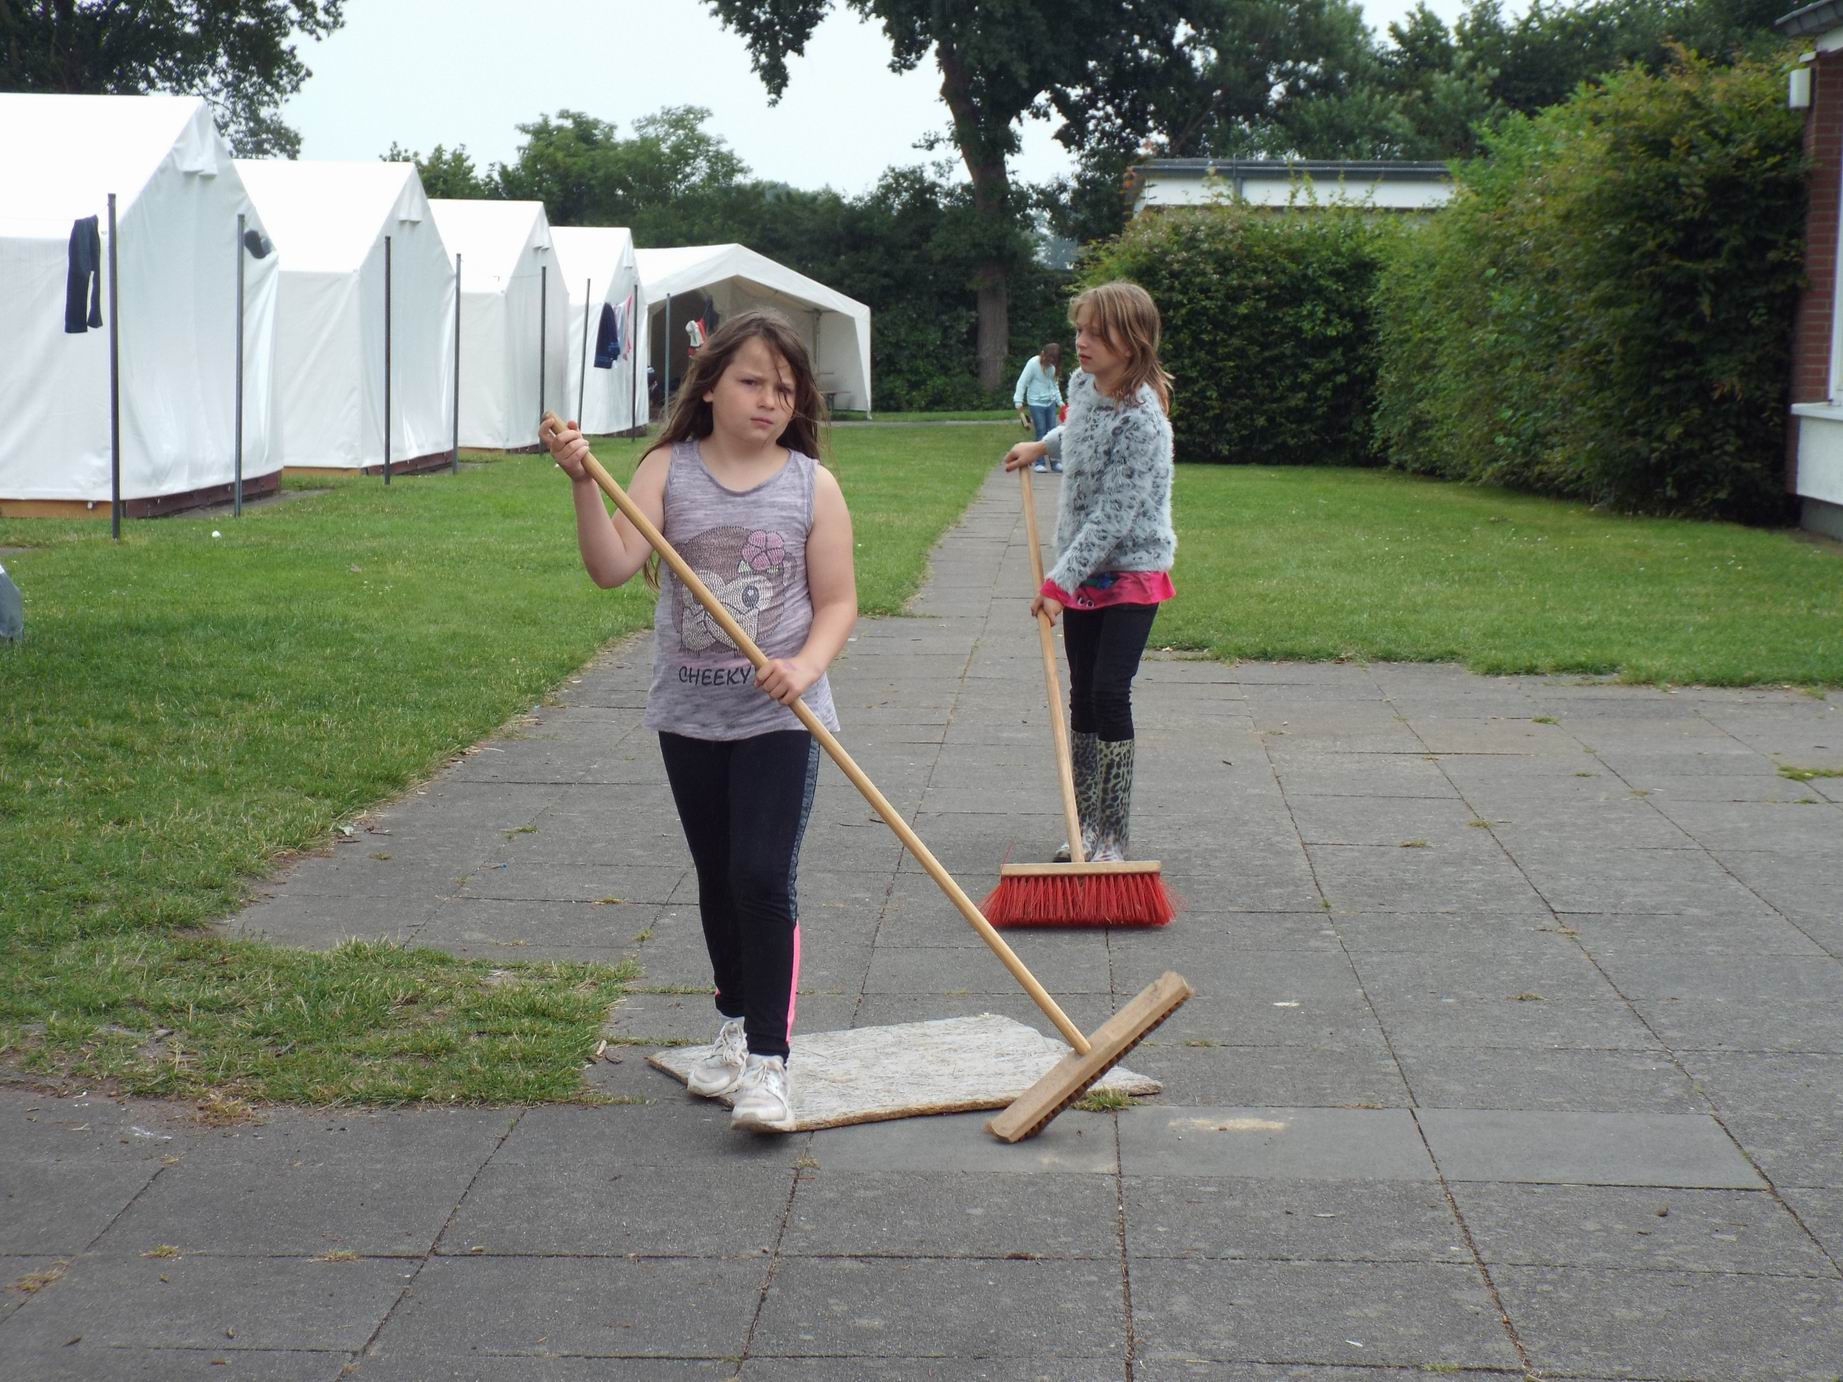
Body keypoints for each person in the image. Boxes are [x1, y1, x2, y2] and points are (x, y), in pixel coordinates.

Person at [543, 310, 857, 1134]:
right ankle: (733, 1021)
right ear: (710, 384)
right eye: (752, 382)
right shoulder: (666, 469)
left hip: (780, 718)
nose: (769, 400)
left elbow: (838, 602)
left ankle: (769, 1064)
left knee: (761, 876)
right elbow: (611, 567)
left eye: (784, 388)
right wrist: (583, 483)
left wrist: (804, 666)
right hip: (689, 715)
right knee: (716, 876)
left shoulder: (811, 486)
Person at [1002, 282, 1175, 864]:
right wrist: (1042, 446)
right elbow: (1079, 431)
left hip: (1129, 571)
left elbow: (1113, 519)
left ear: (1131, 341)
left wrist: (1059, 582)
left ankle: (1114, 835)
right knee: (1080, 696)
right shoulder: (1082, 384)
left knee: (1108, 692)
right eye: (1080, 329)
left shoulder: (1144, 420)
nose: (1082, 341)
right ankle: (1084, 827)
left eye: (1097, 333)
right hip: (1081, 572)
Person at [1012, 342, 1065, 471]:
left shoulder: (1053, 367)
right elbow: (1022, 382)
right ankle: (1039, 463)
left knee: (1053, 432)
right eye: (1049, 359)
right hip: (1036, 403)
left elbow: (1054, 386)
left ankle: (1055, 462)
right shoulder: (1032, 363)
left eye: (1054, 360)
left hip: (1050, 403)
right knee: (1040, 431)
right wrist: (1018, 400)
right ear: (1043, 354)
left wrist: (1060, 402)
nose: (1051, 362)